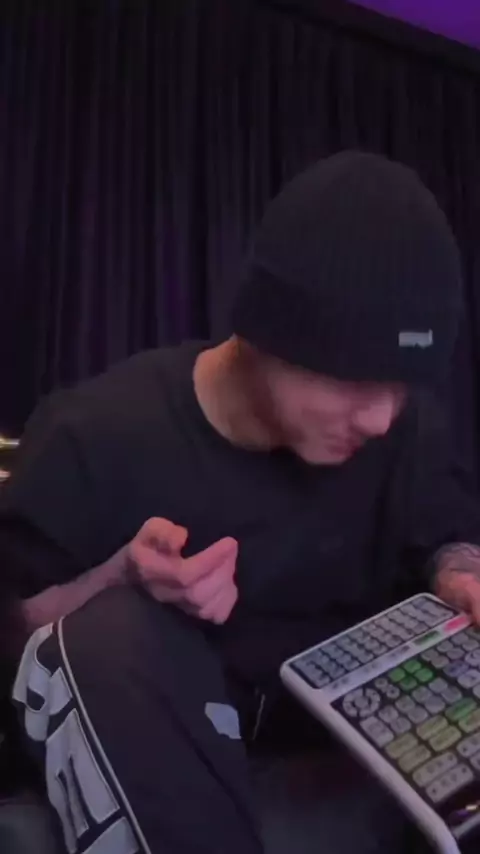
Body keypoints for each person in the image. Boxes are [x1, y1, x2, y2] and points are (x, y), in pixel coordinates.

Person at [2, 151, 480, 854]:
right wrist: (116, 577)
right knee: (108, 635)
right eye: (355, 381)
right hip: (178, 766)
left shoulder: (408, 438)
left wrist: (461, 573)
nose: (381, 418)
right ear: (266, 331)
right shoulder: (92, 436)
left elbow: (446, 533)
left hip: (363, 776)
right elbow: (16, 635)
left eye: (402, 387)